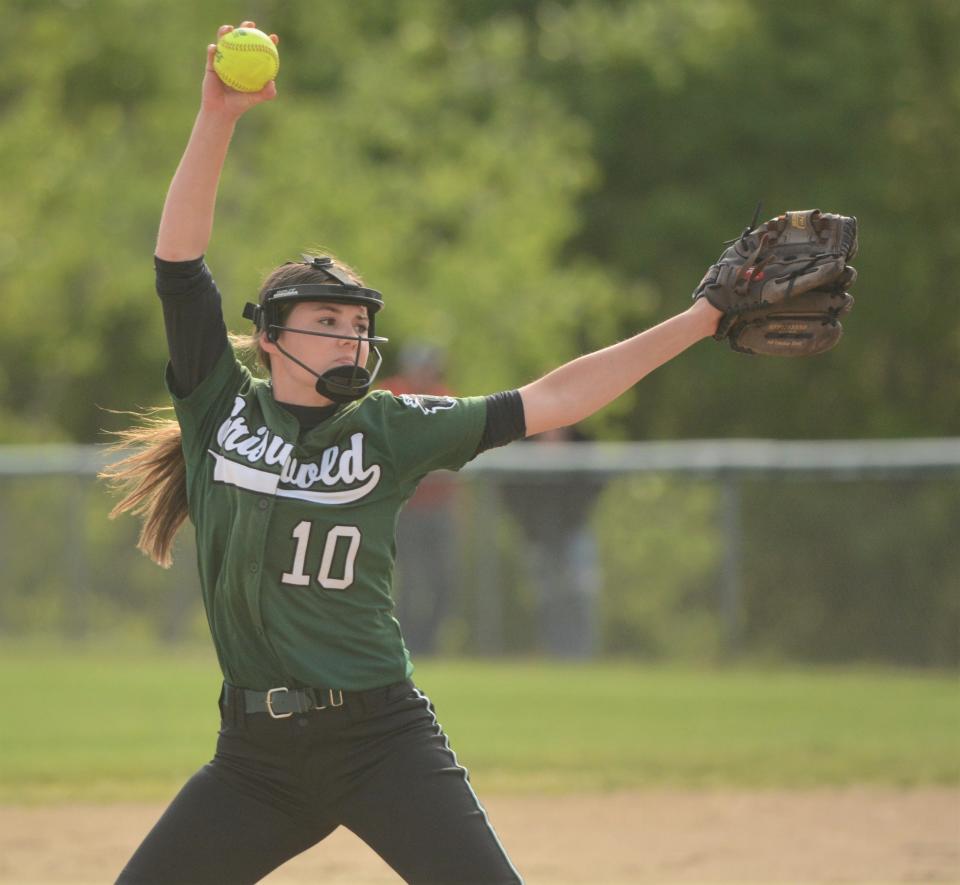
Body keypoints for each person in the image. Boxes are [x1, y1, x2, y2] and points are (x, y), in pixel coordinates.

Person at [102, 22, 724, 885]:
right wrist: (219, 116)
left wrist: (703, 321)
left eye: (358, 325)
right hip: (254, 758)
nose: (349, 338)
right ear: (270, 337)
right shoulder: (218, 406)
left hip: (379, 740)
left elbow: (552, 400)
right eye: (326, 322)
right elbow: (179, 261)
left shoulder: (389, 428)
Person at [379, 344, 460, 654]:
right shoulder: (391, 394)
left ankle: (428, 644)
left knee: (444, 580)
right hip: (402, 508)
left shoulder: (445, 398)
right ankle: (403, 642)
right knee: (409, 581)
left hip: (436, 509)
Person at [498, 425, 604, 658]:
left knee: (580, 591)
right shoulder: (523, 448)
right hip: (537, 536)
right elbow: (511, 493)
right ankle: (551, 651)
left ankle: (583, 653)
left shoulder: (582, 443)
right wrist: (531, 525)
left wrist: (571, 518)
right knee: (545, 595)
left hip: (574, 531)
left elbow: (593, 487)